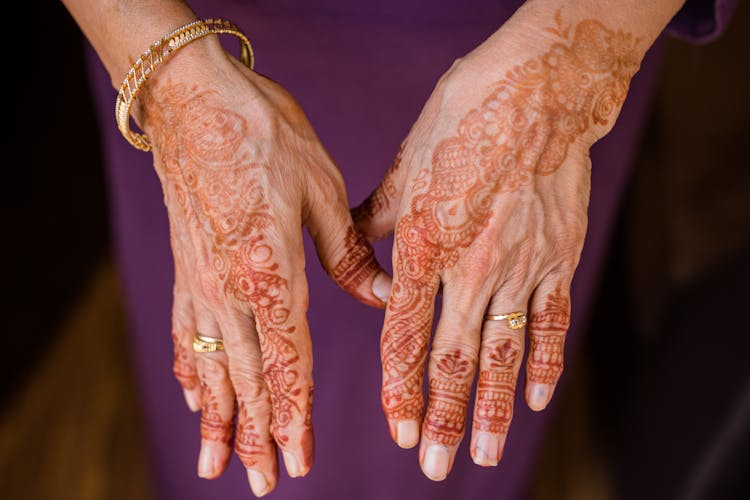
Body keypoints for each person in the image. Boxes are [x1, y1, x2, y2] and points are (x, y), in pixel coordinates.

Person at [63, 0, 736, 498]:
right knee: (240, 385)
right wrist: (170, 85)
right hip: (184, 45)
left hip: (546, 56)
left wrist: (578, 57)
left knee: (468, 367)